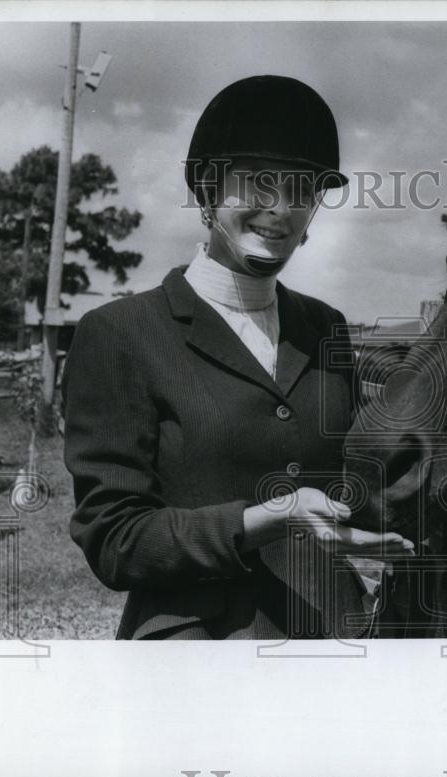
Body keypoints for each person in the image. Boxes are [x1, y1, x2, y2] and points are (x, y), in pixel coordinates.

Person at [62, 75, 411, 640]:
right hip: (200, 651)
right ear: (207, 190)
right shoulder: (120, 333)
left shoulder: (325, 328)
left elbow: (343, 483)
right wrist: (266, 521)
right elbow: (115, 540)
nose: (280, 209)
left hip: (329, 640)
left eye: (303, 190)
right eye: (258, 183)